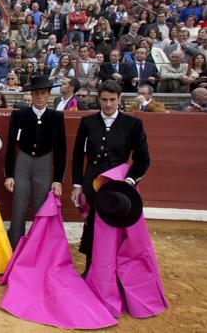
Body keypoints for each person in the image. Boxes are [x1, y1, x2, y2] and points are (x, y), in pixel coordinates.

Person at [71, 80, 150, 275]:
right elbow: (78, 155)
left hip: (117, 183)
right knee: (92, 223)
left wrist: (130, 181)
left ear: (120, 99)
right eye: (104, 99)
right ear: (98, 99)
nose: (108, 104)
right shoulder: (87, 122)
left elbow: (143, 158)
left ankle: (114, 270)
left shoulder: (133, 124)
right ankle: (91, 269)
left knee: (115, 226)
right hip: (92, 181)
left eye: (112, 100)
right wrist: (77, 184)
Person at [4, 75, 66, 249]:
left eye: (43, 93)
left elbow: (61, 150)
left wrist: (58, 179)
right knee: (19, 206)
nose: (40, 97)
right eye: (36, 93)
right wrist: (9, 174)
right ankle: (14, 249)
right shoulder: (19, 115)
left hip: (44, 163)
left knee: (41, 207)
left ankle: (37, 250)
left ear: (48, 95)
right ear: (31, 95)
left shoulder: (56, 117)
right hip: (22, 161)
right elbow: (10, 145)